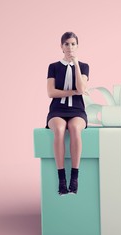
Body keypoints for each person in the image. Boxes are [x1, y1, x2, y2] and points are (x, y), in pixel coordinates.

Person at [46, 32, 89, 195]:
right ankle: (61, 178)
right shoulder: (53, 66)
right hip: (57, 109)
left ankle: (75, 177)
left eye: (73, 44)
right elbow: (51, 92)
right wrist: (73, 91)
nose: (70, 47)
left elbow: (82, 88)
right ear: (61, 47)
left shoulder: (84, 66)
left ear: (77, 46)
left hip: (77, 109)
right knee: (59, 129)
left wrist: (76, 64)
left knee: (75, 129)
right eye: (66, 44)